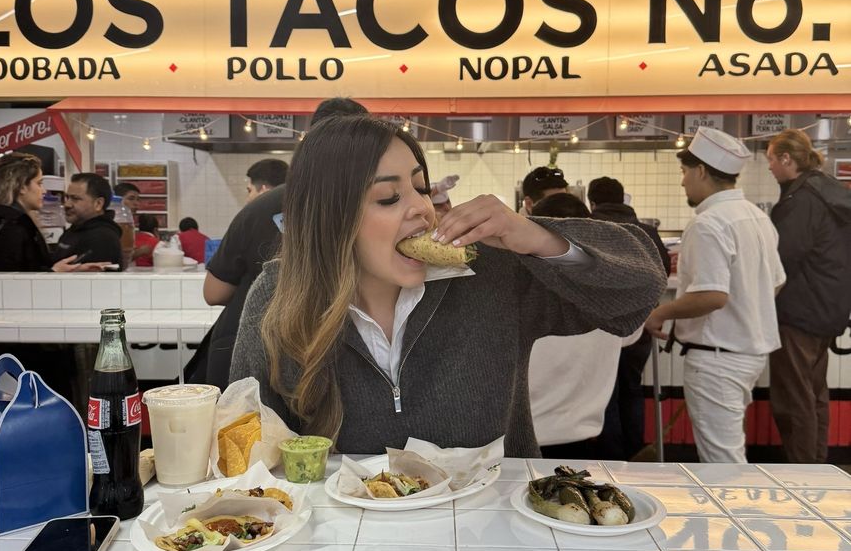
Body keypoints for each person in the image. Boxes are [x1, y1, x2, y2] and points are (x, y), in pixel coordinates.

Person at [230, 115, 666, 456]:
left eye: (421, 188)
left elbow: (637, 294)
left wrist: (536, 236)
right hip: (347, 537)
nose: (422, 209)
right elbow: (246, 443)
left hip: (496, 526)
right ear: (329, 217)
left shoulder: (491, 274)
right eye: (389, 197)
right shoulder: (276, 296)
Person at [197, 97, 370, 388]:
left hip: (249, 354)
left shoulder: (260, 207)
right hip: (284, 360)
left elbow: (214, 292)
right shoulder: (365, 207)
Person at [644, 127, 785, 463]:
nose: (682, 182)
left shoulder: (708, 223)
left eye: (684, 172)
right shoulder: (757, 217)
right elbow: (777, 282)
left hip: (717, 359)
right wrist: (747, 304)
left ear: (701, 171)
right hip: (748, 354)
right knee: (728, 451)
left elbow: (712, 296)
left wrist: (659, 313)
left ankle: (734, 500)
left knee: (722, 461)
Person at [766, 128, 851, 463]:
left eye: (772, 159)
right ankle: (816, 469)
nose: (770, 166)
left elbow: (784, 258)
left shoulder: (801, 199)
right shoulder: (831, 190)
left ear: (787, 159)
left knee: (794, 399)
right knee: (814, 394)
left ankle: (801, 473)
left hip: (798, 311)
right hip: (828, 309)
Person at [527, 193, 624, 457]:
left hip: (525, 439)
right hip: (589, 438)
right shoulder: (615, 296)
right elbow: (631, 335)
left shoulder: (525, 294)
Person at [587, 175, 672, 459]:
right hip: (640, 324)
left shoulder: (590, 228)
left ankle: (611, 456)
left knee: (605, 392)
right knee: (631, 387)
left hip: (602, 325)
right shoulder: (647, 232)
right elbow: (662, 273)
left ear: (592, 202)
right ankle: (634, 454)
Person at [0, 154, 108, 273]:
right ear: (21, 186)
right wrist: (53, 273)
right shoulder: (9, 228)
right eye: (39, 183)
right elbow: (5, 283)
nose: (43, 191)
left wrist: (66, 271)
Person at [53, 173, 124, 268]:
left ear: (98, 204)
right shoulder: (74, 230)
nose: (67, 204)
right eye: (67, 197)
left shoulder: (102, 238)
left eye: (75, 198)